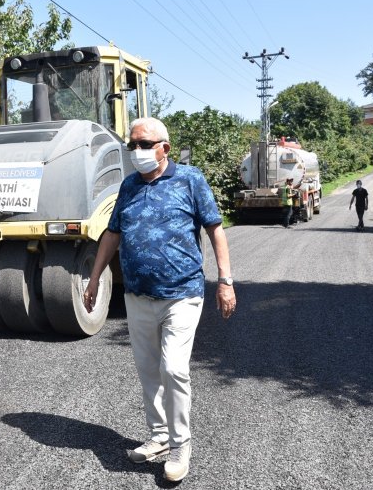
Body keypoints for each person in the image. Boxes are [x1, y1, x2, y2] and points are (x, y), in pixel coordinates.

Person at [83, 117, 236, 483]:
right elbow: (112, 234)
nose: (136, 151)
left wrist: (225, 281)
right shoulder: (129, 185)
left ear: (164, 147)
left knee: (174, 369)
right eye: (132, 145)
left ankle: (181, 446)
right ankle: (159, 437)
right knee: (148, 370)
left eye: (144, 144)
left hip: (182, 294)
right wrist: (93, 278)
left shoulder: (190, 179)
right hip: (137, 296)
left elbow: (215, 229)